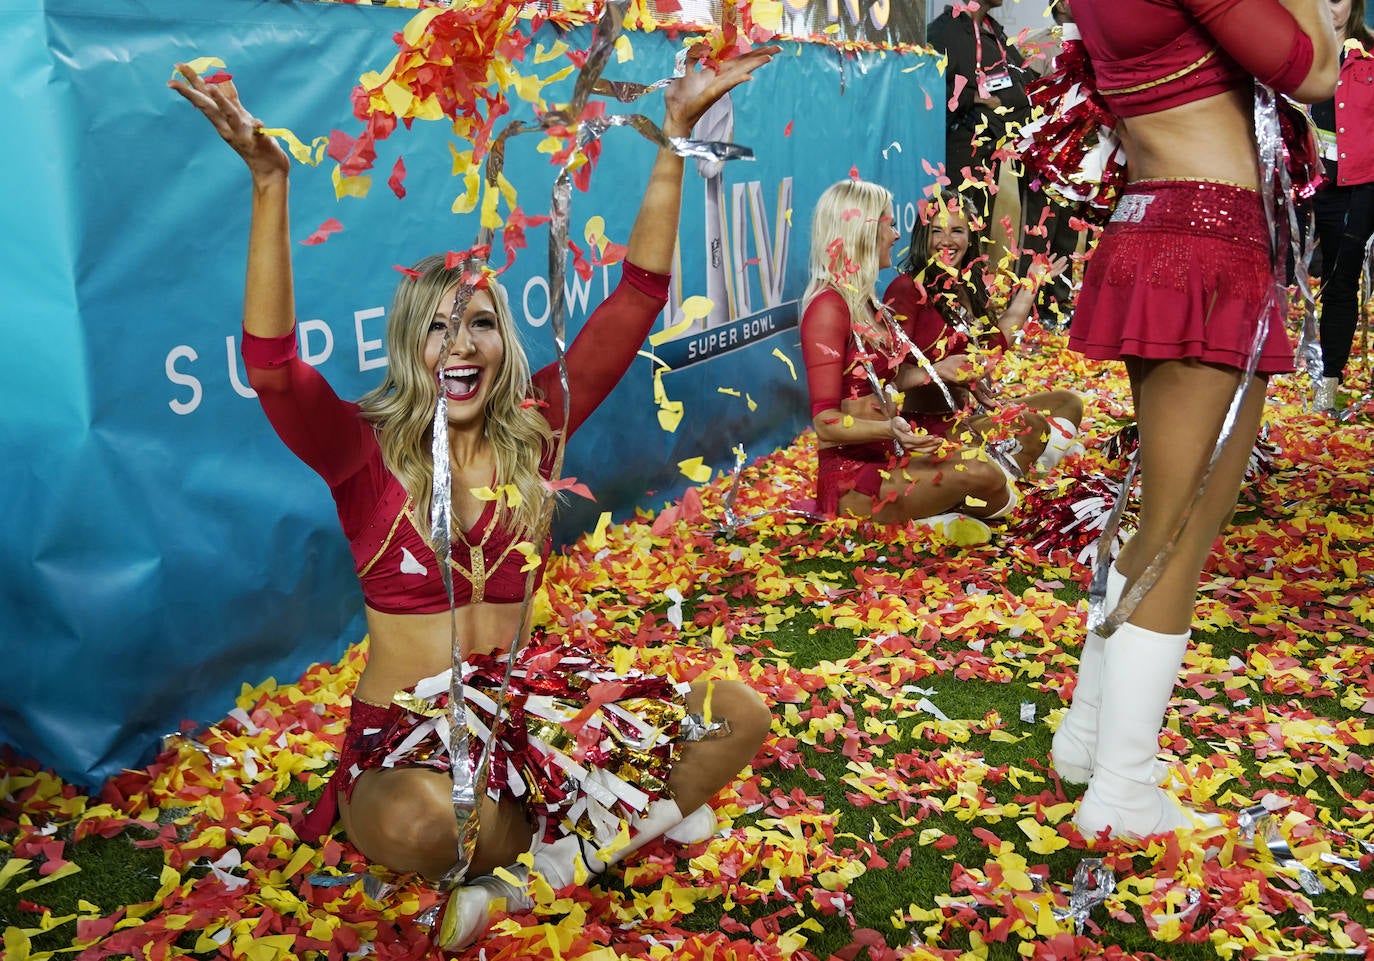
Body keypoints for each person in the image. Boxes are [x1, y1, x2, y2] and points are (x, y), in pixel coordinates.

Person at [169, 48, 778, 949]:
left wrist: (675, 135)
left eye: (481, 320)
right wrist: (269, 181)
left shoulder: (541, 424)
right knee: (428, 828)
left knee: (740, 712)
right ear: (410, 345)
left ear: (506, 336)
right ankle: (623, 826)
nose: (462, 342)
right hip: (410, 755)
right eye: (438, 325)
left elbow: (638, 298)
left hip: (527, 726)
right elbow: (272, 366)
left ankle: (548, 867)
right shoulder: (363, 453)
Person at [1051, 0, 1337, 838]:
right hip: (1204, 237)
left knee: (1171, 509)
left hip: (1156, 219)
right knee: (1182, 523)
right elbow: (1313, 69)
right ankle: (1122, 790)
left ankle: (1089, 735)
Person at [799, 179, 1020, 529]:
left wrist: (939, 371)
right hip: (855, 481)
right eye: (889, 224)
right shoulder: (828, 306)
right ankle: (932, 518)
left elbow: (887, 380)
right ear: (864, 232)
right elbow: (825, 426)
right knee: (985, 477)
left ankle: (937, 515)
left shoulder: (866, 301)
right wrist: (890, 427)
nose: (898, 235)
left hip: (892, 457)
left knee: (988, 470)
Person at [883, 191, 1084, 474]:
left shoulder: (969, 286)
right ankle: (1021, 471)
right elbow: (886, 377)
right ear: (922, 236)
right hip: (929, 429)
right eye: (936, 231)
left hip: (973, 415)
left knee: (1069, 402)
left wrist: (1031, 284)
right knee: (1033, 426)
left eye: (957, 231)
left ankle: (1025, 465)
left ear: (970, 236)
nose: (947, 241)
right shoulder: (906, 289)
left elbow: (995, 344)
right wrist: (938, 371)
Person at [928, 0, 1073, 317]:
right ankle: (946, 315)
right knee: (957, 231)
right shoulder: (944, 32)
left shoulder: (994, 31)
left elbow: (1019, 84)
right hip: (961, 151)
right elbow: (932, 90)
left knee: (977, 234)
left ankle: (973, 310)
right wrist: (974, 97)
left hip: (994, 152)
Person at [1310, 0, 1374, 412]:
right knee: (1280, 275)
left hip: (1361, 186)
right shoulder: (1293, 56)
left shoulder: (1370, 55)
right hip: (1304, 185)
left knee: (1341, 281)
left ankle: (1327, 386)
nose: (1326, 6)